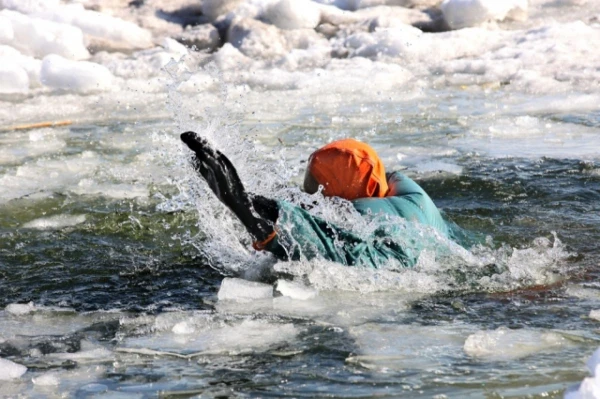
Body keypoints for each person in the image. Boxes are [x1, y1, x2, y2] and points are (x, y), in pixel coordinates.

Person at [181, 132, 452, 268]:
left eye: (320, 194)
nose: (313, 200)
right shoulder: (408, 190)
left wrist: (247, 206)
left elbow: (321, 238)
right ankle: (247, 205)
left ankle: (252, 219)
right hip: (449, 257)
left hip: (403, 266)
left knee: (323, 254)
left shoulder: (357, 214)